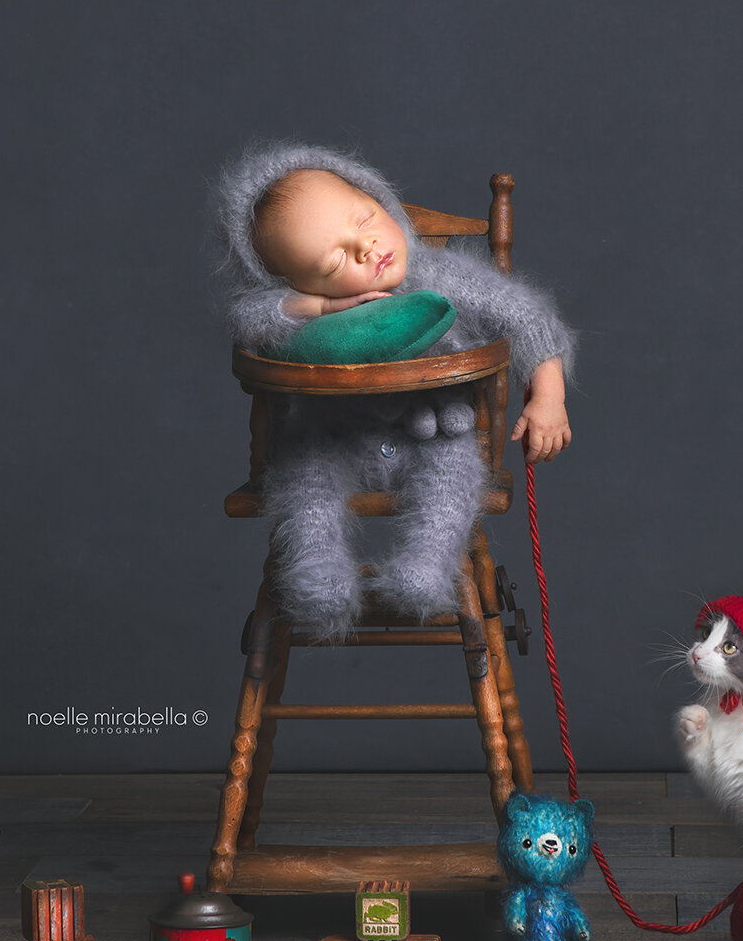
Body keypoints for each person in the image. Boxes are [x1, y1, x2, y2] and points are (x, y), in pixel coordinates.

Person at [216, 143, 575, 637]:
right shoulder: (306, 308)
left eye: (364, 220)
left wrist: (548, 398)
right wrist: (319, 306)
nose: (365, 248)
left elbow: (529, 317)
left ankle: (427, 563)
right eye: (333, 260)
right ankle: (318, 567)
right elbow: (250, 317)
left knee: (454, 475)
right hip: (337, 434)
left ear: (380, 200)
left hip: (431, 431)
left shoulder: (438, 275)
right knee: (303, 477)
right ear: (295, 281)